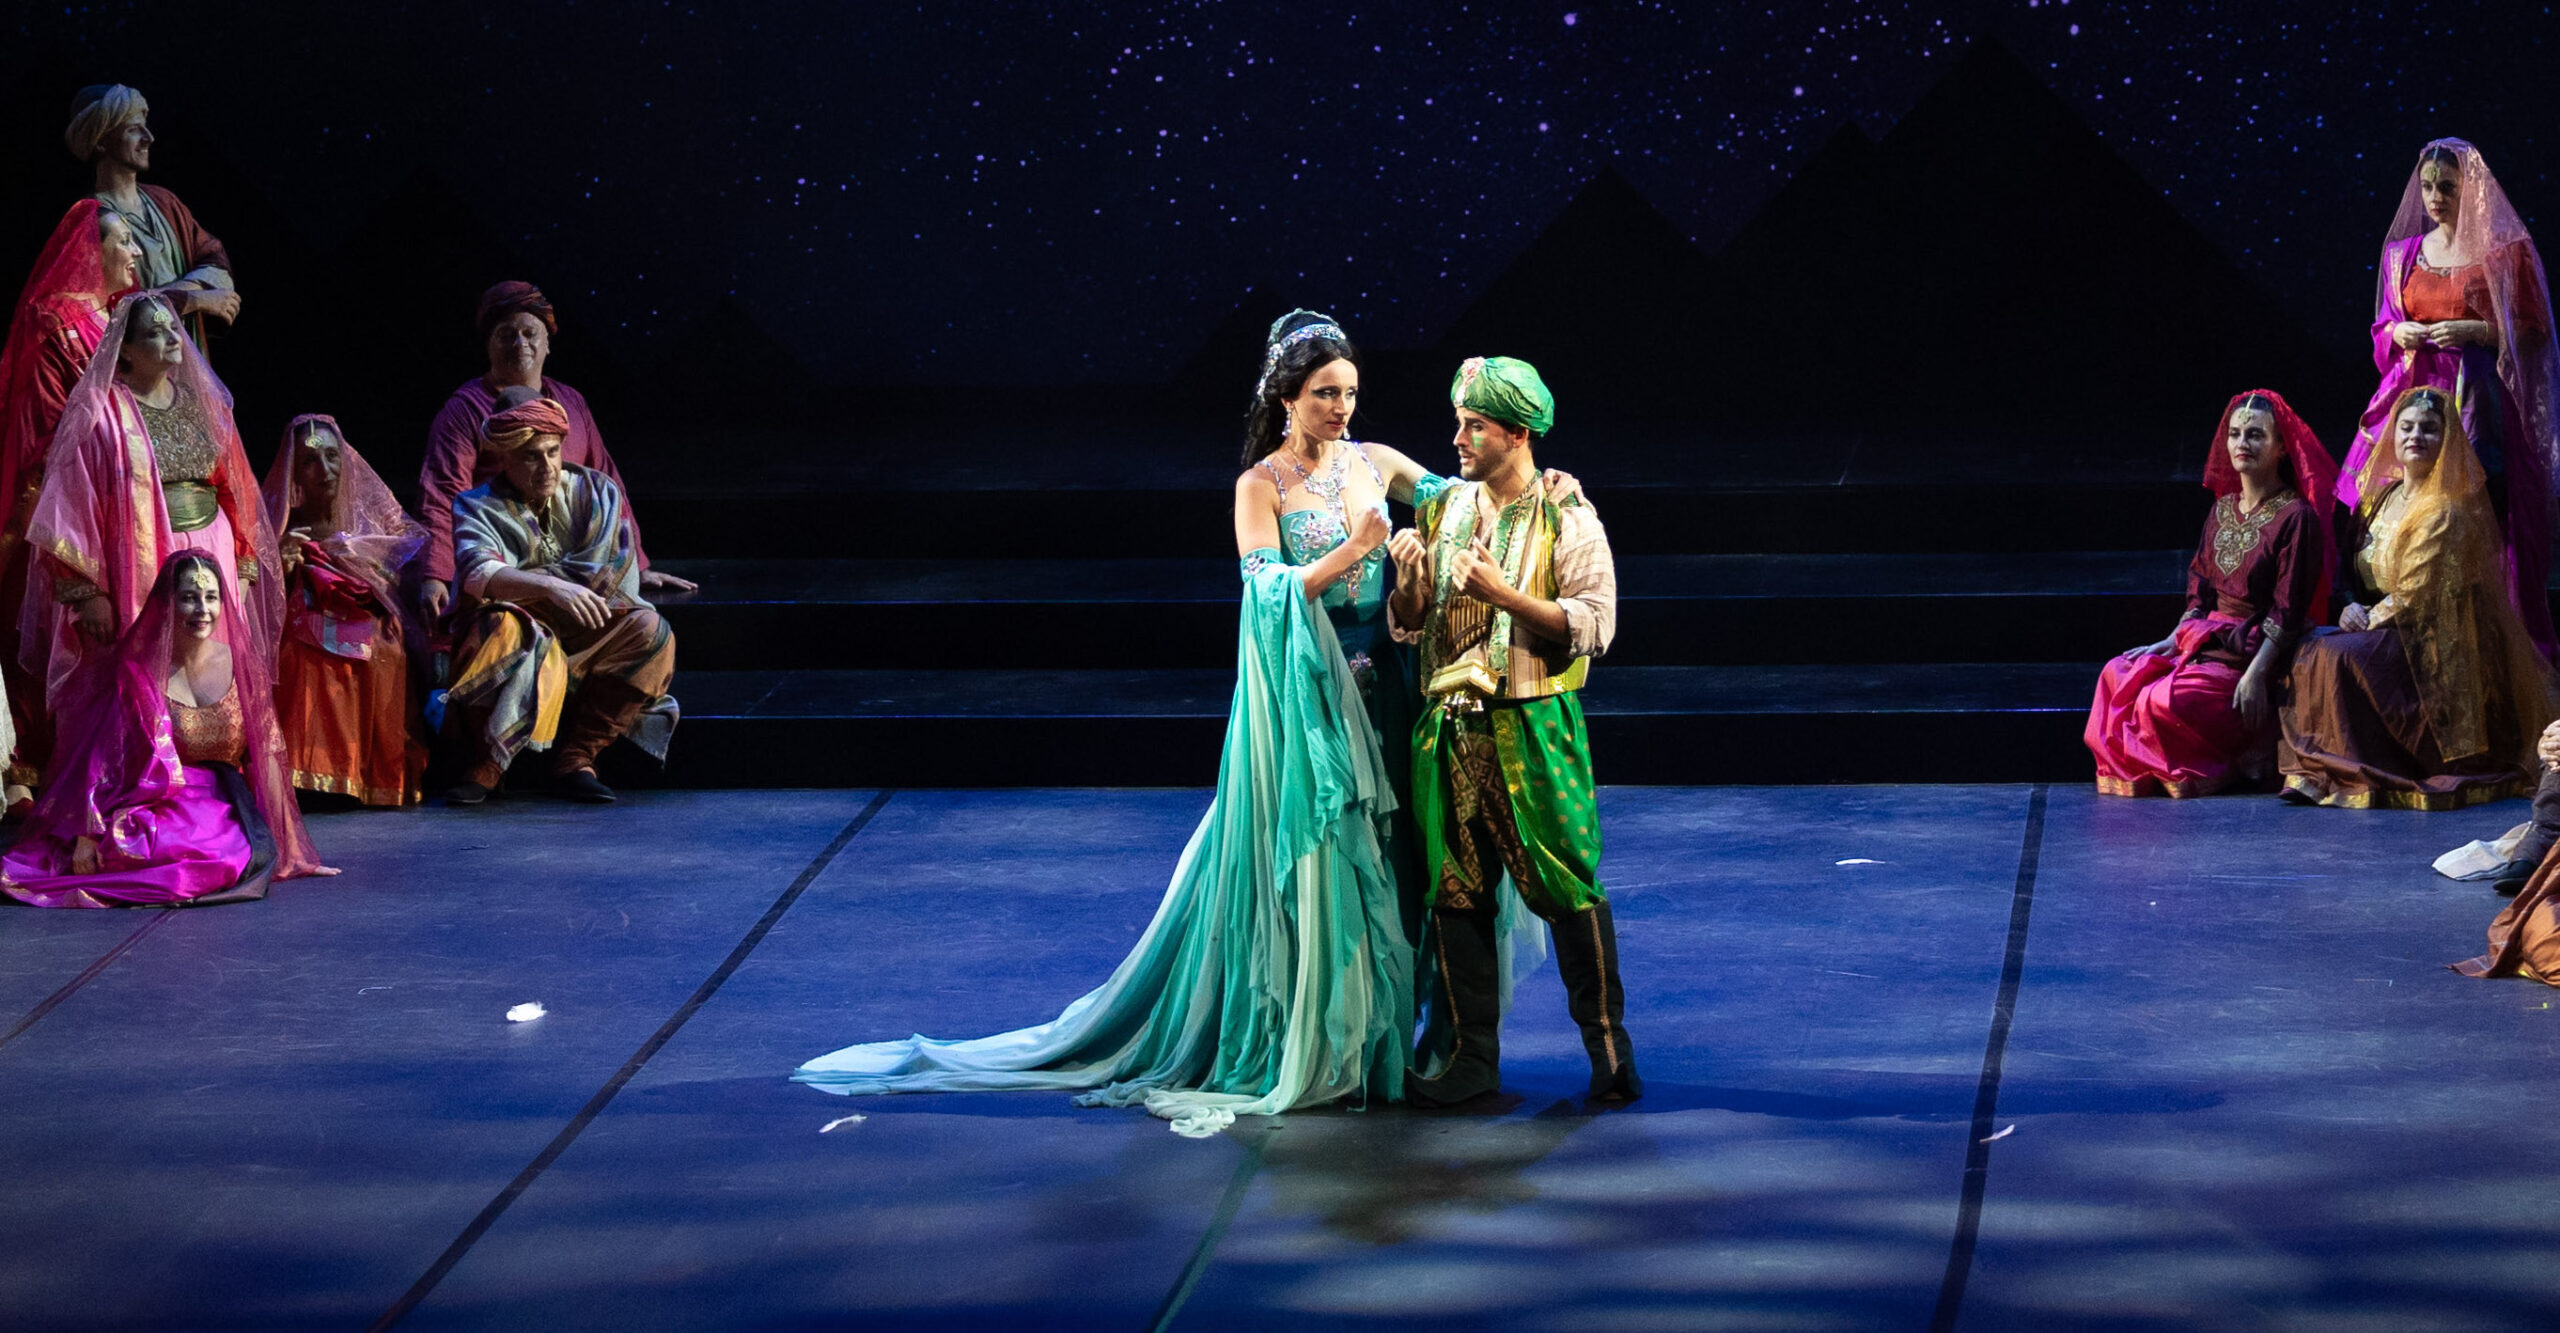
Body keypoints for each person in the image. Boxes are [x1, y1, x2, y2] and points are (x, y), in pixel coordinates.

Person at [795, 310, 1564, 1137]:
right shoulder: (1260, 485)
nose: (1340, 408)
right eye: (1323, 393)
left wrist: (1546, 486)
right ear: (1286, 397)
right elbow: (1265, 594)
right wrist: (1357, 549)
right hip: (1312, 697)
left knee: (1397, 861)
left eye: (1348, 392)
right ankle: (1329, 1044)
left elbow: (1470, 495)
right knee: (1328, 865)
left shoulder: (1375, 462)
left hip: (1389, 692)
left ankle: (1395, 1039)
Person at [1387, 355, 1638, 1105]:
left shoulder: (1567, 514)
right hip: (1449, 730)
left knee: (1566, 884)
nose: (1458, 438)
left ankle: (1609, 1052)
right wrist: (1410, 589)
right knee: (1456, 892)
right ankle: (1471, 1061)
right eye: (1458, 422)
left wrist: (1507, 596)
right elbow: (1414, 626)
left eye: (1475, 426)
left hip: (1530, 726)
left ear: (1518, 433)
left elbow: (1596, 625)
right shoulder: (1444, 510)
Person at [1, 551, 332, 907]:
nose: (202, 610)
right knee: (142, 847)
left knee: (219, 855)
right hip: (154, 800)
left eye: (211, 597)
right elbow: (100, 757)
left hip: (222, 801)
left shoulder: (242, 665)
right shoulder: (138, 672)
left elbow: (265, 755)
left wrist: (292, 852)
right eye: (189, 598)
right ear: (167, 604)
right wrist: (87, 834)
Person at [2280, 386, 2555, 809]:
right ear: (2392, 434)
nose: (2415, 437)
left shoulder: (2447, 509)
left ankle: (2351, 769)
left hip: (2430, 642)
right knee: (2308, 648)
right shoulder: (2382, 498)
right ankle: (2319, 770)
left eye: (2429, 429)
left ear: (2446, 440)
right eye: (2406, 427)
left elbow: (2415, 593)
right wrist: (2350, 606)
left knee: (2337, 655)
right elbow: (2354, 568)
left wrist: (2365, 621)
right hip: (2384, 626)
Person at [2338, 140, 2559, 660]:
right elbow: (2382, 325)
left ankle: (2483, 639)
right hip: (2411, 391)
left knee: (2475, 507)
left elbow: (2533, 333)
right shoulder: (2403, 254)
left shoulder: (2504, 254)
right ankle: (2384, 614)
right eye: (2428, 187)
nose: (2435, 197)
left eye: (2447, 187)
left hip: (2476, 398)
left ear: (2471, 189)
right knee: (2367, 493)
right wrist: (2397, 332)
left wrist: (2476, 330)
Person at [20, 294, 280, 731]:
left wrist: (241, 562)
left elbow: (234, 488)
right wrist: (89, 592)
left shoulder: (205, 407)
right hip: (140, 561)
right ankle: (149, 760)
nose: (172, 338)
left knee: (209, 662)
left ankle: (213, 753)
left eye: (173, 328)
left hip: (211, 552)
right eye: (155, 333)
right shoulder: (101, 414)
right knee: (144, 674)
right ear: (124, 349)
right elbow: (70, 505)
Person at [2087, 391, 2336, 797]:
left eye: (2255, 435)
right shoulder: (2222, 509)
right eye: (2235, 434)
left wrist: (2256, 676)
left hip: (2250, 651)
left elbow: (2287, 610)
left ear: (2281, 448)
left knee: (2161, 701)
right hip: (2204, 641)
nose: (2242, 443)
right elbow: (2199, 588)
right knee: (2116, 674)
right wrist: (2173, 640)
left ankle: (2243, 755)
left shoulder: (2296, 517)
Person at [443, 394, 676, 804]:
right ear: (503, 457)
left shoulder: (597, 491)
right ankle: (489, 763)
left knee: (651, 631)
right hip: (522, 630)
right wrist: (553, 588)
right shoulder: (475, 505)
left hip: (589, 628)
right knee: (500, 626)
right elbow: (479, 574)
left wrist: (524, 580)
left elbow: (608, 574)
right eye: (531, 456)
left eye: (553, 452)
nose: (547, 466)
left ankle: (577, 758)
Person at [417, 282, 691, 627]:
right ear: (488, 344)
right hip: (508, 560)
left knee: (644, 628)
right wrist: (437, 574)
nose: (520, 344)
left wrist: (637, 565)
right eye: (506, 335)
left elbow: (606, 478)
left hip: (574, 562)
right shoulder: (465, 410)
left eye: (530, 333)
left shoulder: (571, 402)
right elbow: (443, 491)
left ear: (548, 343)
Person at [0, 201, 140, 799]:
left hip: (123, 499)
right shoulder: (54, 320)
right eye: (124, 241)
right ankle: (47, 775)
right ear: (91, 250)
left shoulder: (122, 317)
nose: (136, 252)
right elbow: (42, 421)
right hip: (64, 501)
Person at [263, 415, 428, 806]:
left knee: (384, 649)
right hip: (302, 613)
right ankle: (310, 777)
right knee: (302, 653)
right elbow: (256, 591)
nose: (325, 469)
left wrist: (363, 559)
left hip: (366, 612)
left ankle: (367, 777)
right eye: (310, 461)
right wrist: (281, 563)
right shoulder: (279, 520)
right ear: (293, 473)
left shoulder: (371, 517)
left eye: (332, 456)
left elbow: (405, 561)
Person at [63, 85, 240, 332]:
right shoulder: (89, 220)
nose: (149, 137)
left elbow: (215, 260)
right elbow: (115, 313)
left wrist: (180, 292)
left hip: (186, 345)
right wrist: (194, 300)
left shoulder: (164, 201)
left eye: (145, 127)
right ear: (101, 142)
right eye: (133, 129)